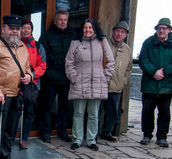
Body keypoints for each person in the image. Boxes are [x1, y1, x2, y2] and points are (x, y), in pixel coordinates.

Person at [0, 15, 32, 159]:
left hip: (17, 94)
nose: (14, 31)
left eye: (17, 28)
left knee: (11, 130)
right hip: (1, 96)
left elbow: (27, 68)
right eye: (11, 27)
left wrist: (29, 76)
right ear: (4, 28)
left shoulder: (22, 47)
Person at [65, 19, 114, 151]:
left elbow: (110, 61)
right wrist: (74, 77)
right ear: (82, 29)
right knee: (78, 113)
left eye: (90, 28)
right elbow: (69, 62)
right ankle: (77, 139)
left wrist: (106, 77)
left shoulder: (102, 42)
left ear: (95, 29)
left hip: (98, 82)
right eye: (85, 27)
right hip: (79, 82)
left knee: (93, 114)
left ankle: (91, 140)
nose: (87, 30)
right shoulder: (75, 43)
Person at [138, 18, 172, 147]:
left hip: (166, 84)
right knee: (147, 110)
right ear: (156, 29)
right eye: (159, 28)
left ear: (169, 30)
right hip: (149, 83)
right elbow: (143, 59)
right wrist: (153, 72)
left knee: (164, 111)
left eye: (164, 28)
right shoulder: (148, 42)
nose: (162, 30)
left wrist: (164, 72)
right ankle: (147, 134)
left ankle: (162, 136)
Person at [38, 10, 77, 143]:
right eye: (60, 20)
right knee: (47, 106)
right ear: (55, 21)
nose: (62, 22)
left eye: (65, 20)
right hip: (50, 78)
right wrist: (47, 73)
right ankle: (45, 132)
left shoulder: (73, 35)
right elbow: (41, 56)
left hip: (66, 78)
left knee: (64, 107)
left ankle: (62, 131)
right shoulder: (47, 35)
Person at [100, 20, 133, 142]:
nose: (120, 34)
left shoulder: (127, 50)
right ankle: (93, 133)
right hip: (102, 84)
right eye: (118, 31)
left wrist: (124, 80)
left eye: (123, 32)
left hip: (117, 86)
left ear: (125, 34)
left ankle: (107, 132)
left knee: (113, 111)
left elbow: (129, 68)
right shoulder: (105, 44)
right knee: (96, 110)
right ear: (113, 32)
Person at [19, 18, 47, 149]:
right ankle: (11, 135)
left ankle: (24, 138)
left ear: (31, 30)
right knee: (16, 111)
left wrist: (32, 76)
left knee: (29, 112)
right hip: (16, 83)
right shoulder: (16, 44)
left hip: (32, 83)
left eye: (28, 28)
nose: (25, 30)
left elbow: (42, 65)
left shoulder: (38, 46)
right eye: (23, 28)